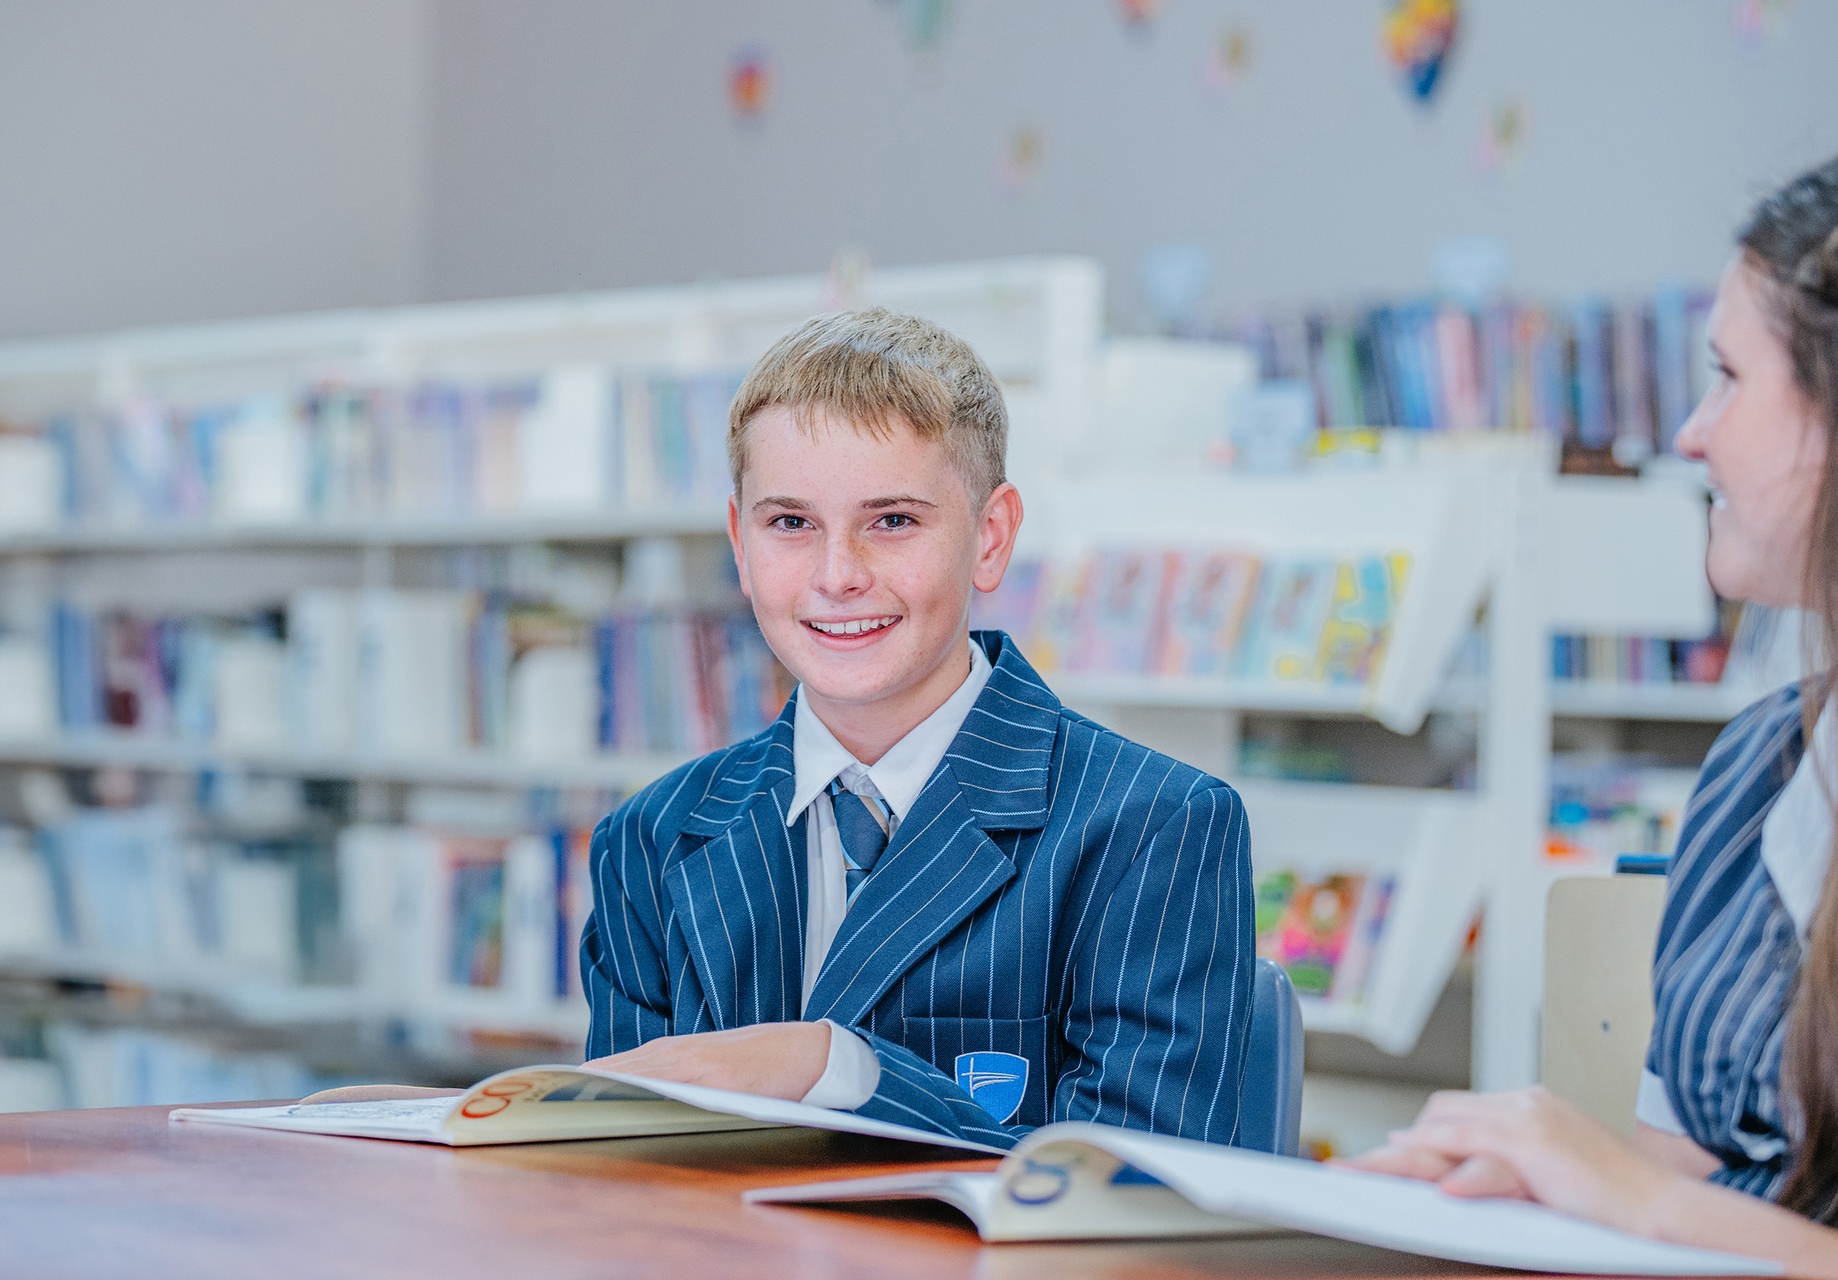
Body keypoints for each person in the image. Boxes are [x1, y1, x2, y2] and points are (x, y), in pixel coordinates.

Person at [576, 307, 1253, 1149]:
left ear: (991, 538)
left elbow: (1138, 1197)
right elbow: (619, 1175)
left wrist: (839, 1069)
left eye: (892, 521)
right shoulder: (650, 840)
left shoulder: (1153, 825)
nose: (837, 576)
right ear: (740, 547)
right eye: (790, 524)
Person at [1348, 158, 1838, 1277]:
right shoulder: (1759, 768)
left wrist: (1634, 1200)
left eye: (1727, 377)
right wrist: (1533, 1177)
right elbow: (1688, 1168)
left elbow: (1669, 1205)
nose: (1690, 434)